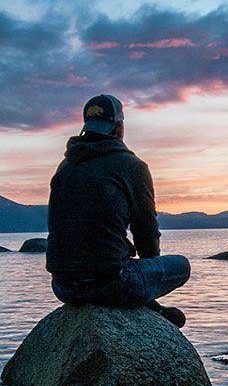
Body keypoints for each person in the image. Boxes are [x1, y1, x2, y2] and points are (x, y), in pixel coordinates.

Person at [46, 94, 191, 328]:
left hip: (63, 287)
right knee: (182, 265)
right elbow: (145, 230)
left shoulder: (65, 167)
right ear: (119, 126)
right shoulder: (131, 166)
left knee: (120, 263)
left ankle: (151, 307)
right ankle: (149, 306)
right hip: (111, 285)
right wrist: (147, 271)